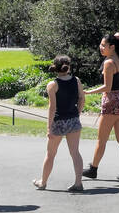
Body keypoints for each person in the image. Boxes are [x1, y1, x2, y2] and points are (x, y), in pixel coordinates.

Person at [81, 33, 119, 181]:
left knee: (101, 139)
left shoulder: (108, 63)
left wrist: (87, 91)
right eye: (101, 45)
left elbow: (107, 87)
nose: (101, 48)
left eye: (103, 45)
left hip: (112, 102)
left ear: (112, 47)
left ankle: (93, 169)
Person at [35, 55, 85, 192]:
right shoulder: (77, 80)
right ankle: (78, 183)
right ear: (68, 67)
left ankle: (43, 182)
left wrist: (48, 127)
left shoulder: (53, 84)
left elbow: (52, 107)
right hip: (73, 120)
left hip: (58, 122)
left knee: (50, 154)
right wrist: (77, 114)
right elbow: (82, 99)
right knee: (75, 153)